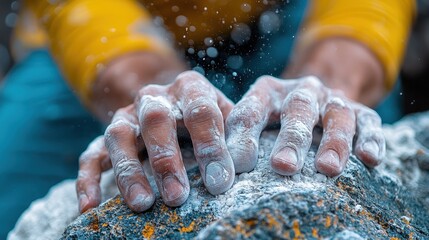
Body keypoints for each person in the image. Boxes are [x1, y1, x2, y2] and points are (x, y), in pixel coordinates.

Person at [0, 0, 415, 237]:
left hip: (290, 15)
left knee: (344, 128)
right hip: (101, 37)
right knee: (11, 182)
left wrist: (327, 81)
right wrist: (150, 91)